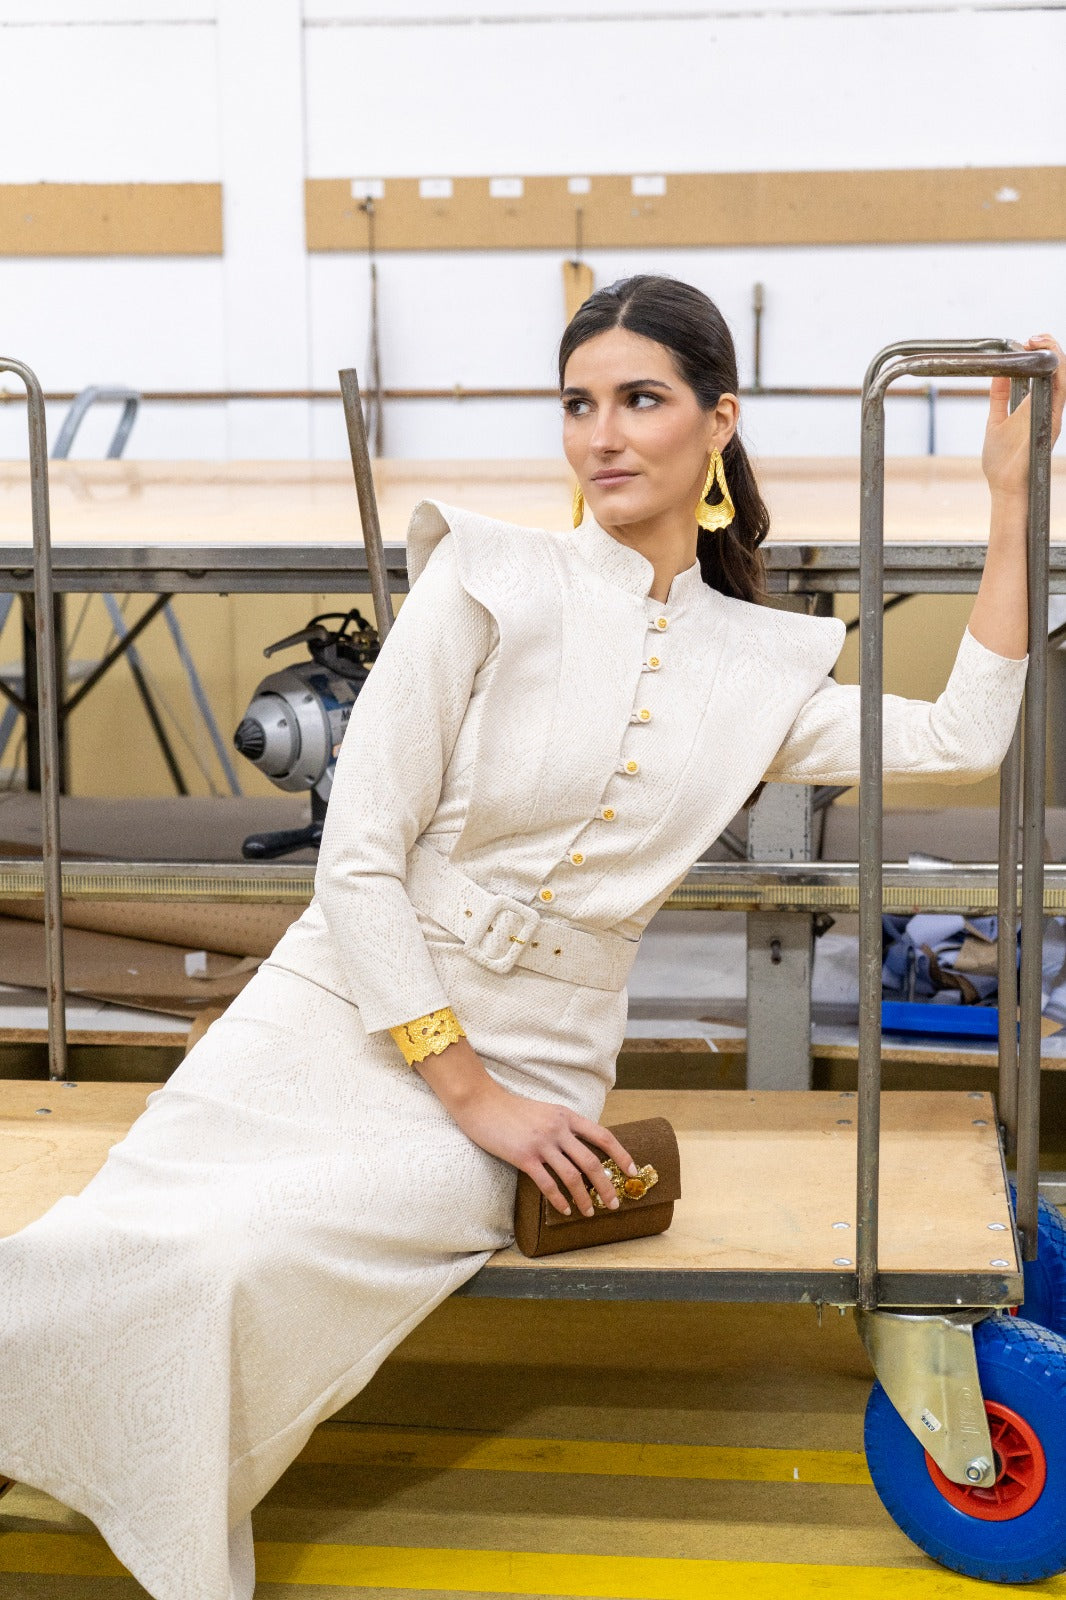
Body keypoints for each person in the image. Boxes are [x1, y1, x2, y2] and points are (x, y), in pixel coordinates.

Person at [0, 277, 1060, 1600]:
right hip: (336, 1007)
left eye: (640, 400)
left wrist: (1013, 498)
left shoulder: (762, 663)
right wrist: (464, 1087)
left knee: (233, 1262)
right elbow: (359, 856)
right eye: (577, 403)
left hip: (537, 1068)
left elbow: (964, 735)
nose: (601, 435)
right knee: (107, 1240)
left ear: (718, 421)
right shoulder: (483, 576)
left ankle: (130, 1491)